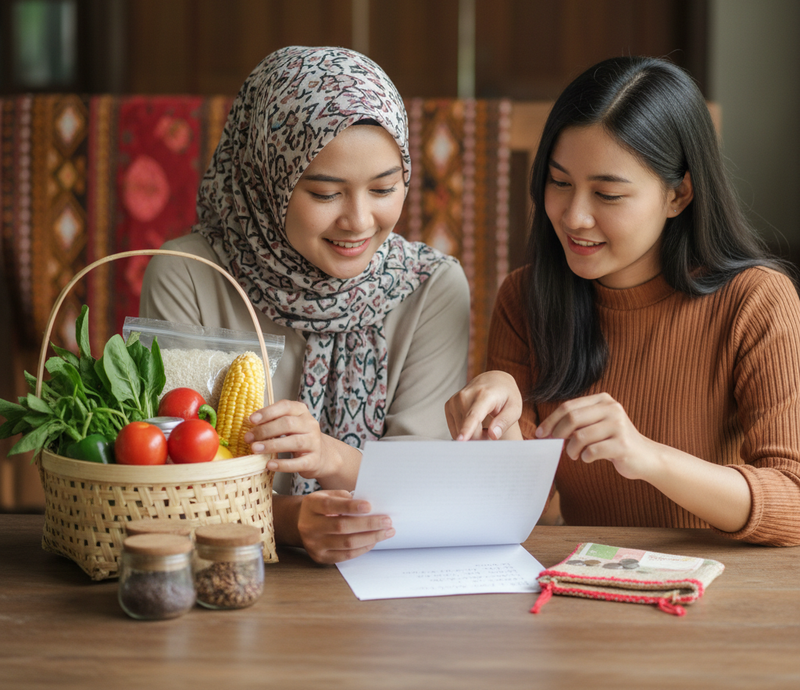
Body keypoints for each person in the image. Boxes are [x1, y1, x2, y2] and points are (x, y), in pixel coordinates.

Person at [445, 55, 800, 546]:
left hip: (715, 594)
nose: (574, 217)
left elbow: (793, 502)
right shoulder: (526, 298)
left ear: (679, 195)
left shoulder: (755, 301)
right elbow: (511, 509)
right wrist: (500, 408)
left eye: (608, 194)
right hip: (583, 589)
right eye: (559, 182)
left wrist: (648, 457)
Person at [140, 45, 470, 562]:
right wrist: (288, 522)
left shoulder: (431, 287)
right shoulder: (190, 275)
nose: (359, 221)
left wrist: (329, 458)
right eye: (324, 194)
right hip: (226, 575)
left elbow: (425, 487)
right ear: (266, 179)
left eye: (384, 188)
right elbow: (173, 477)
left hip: (392, 597)